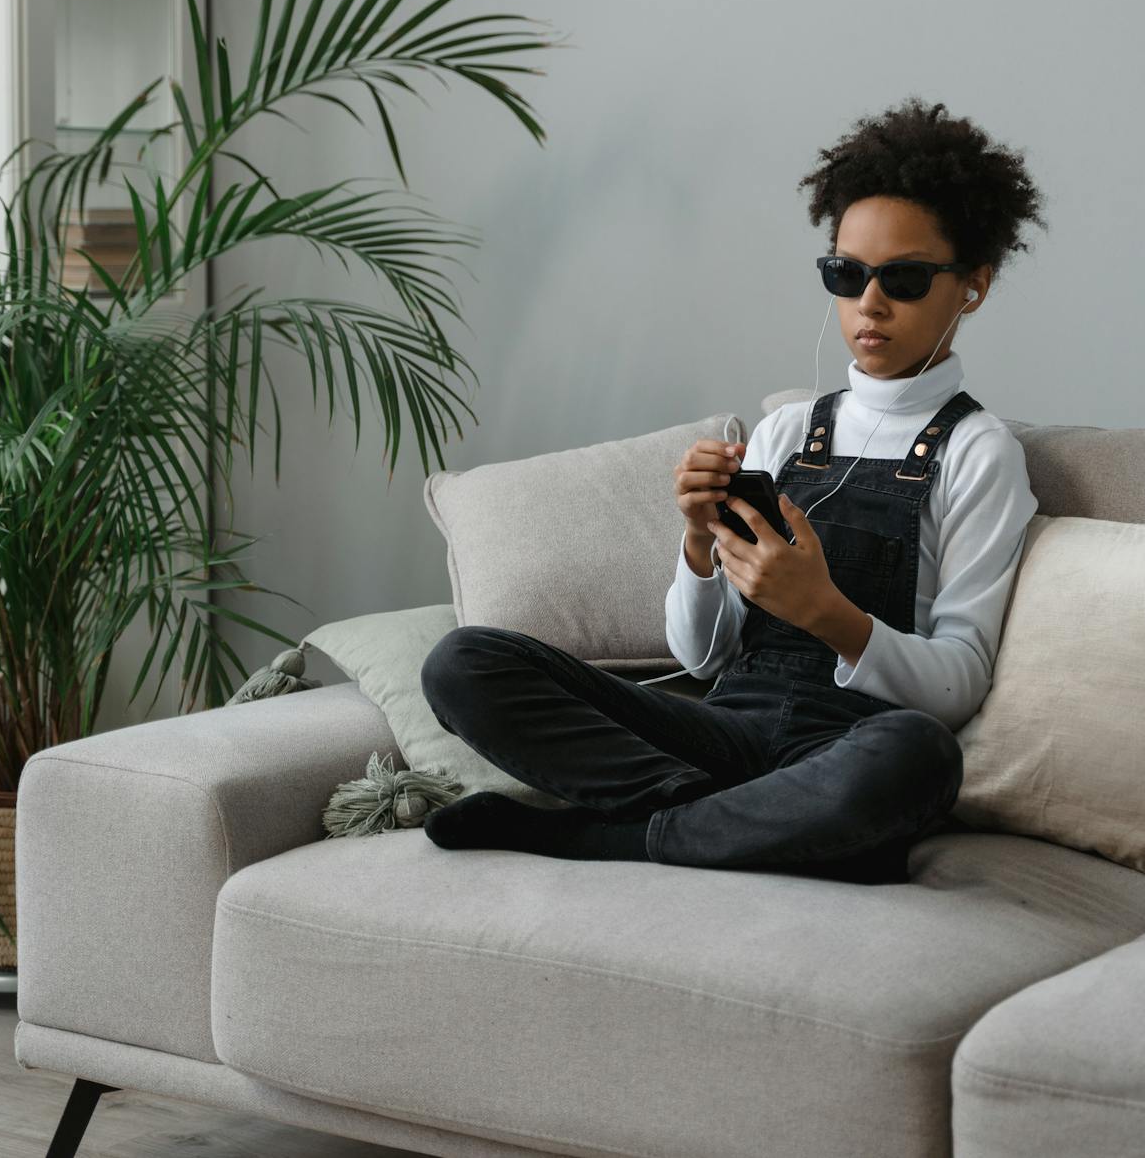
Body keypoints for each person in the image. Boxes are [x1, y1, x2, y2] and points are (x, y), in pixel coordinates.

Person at [419, 96, 1046, 883]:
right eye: (846, 275)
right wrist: (696, 546)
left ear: (973, 286)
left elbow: (957, 683)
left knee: (918, 757)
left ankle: (612, 836)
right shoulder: (785, 432)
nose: (869, 304)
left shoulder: (978, 452)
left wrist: (823, 610)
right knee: (462, 661)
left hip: (848, 741)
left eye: (906, 278)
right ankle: (733, 823)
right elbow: (699, 653)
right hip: (720, 734)